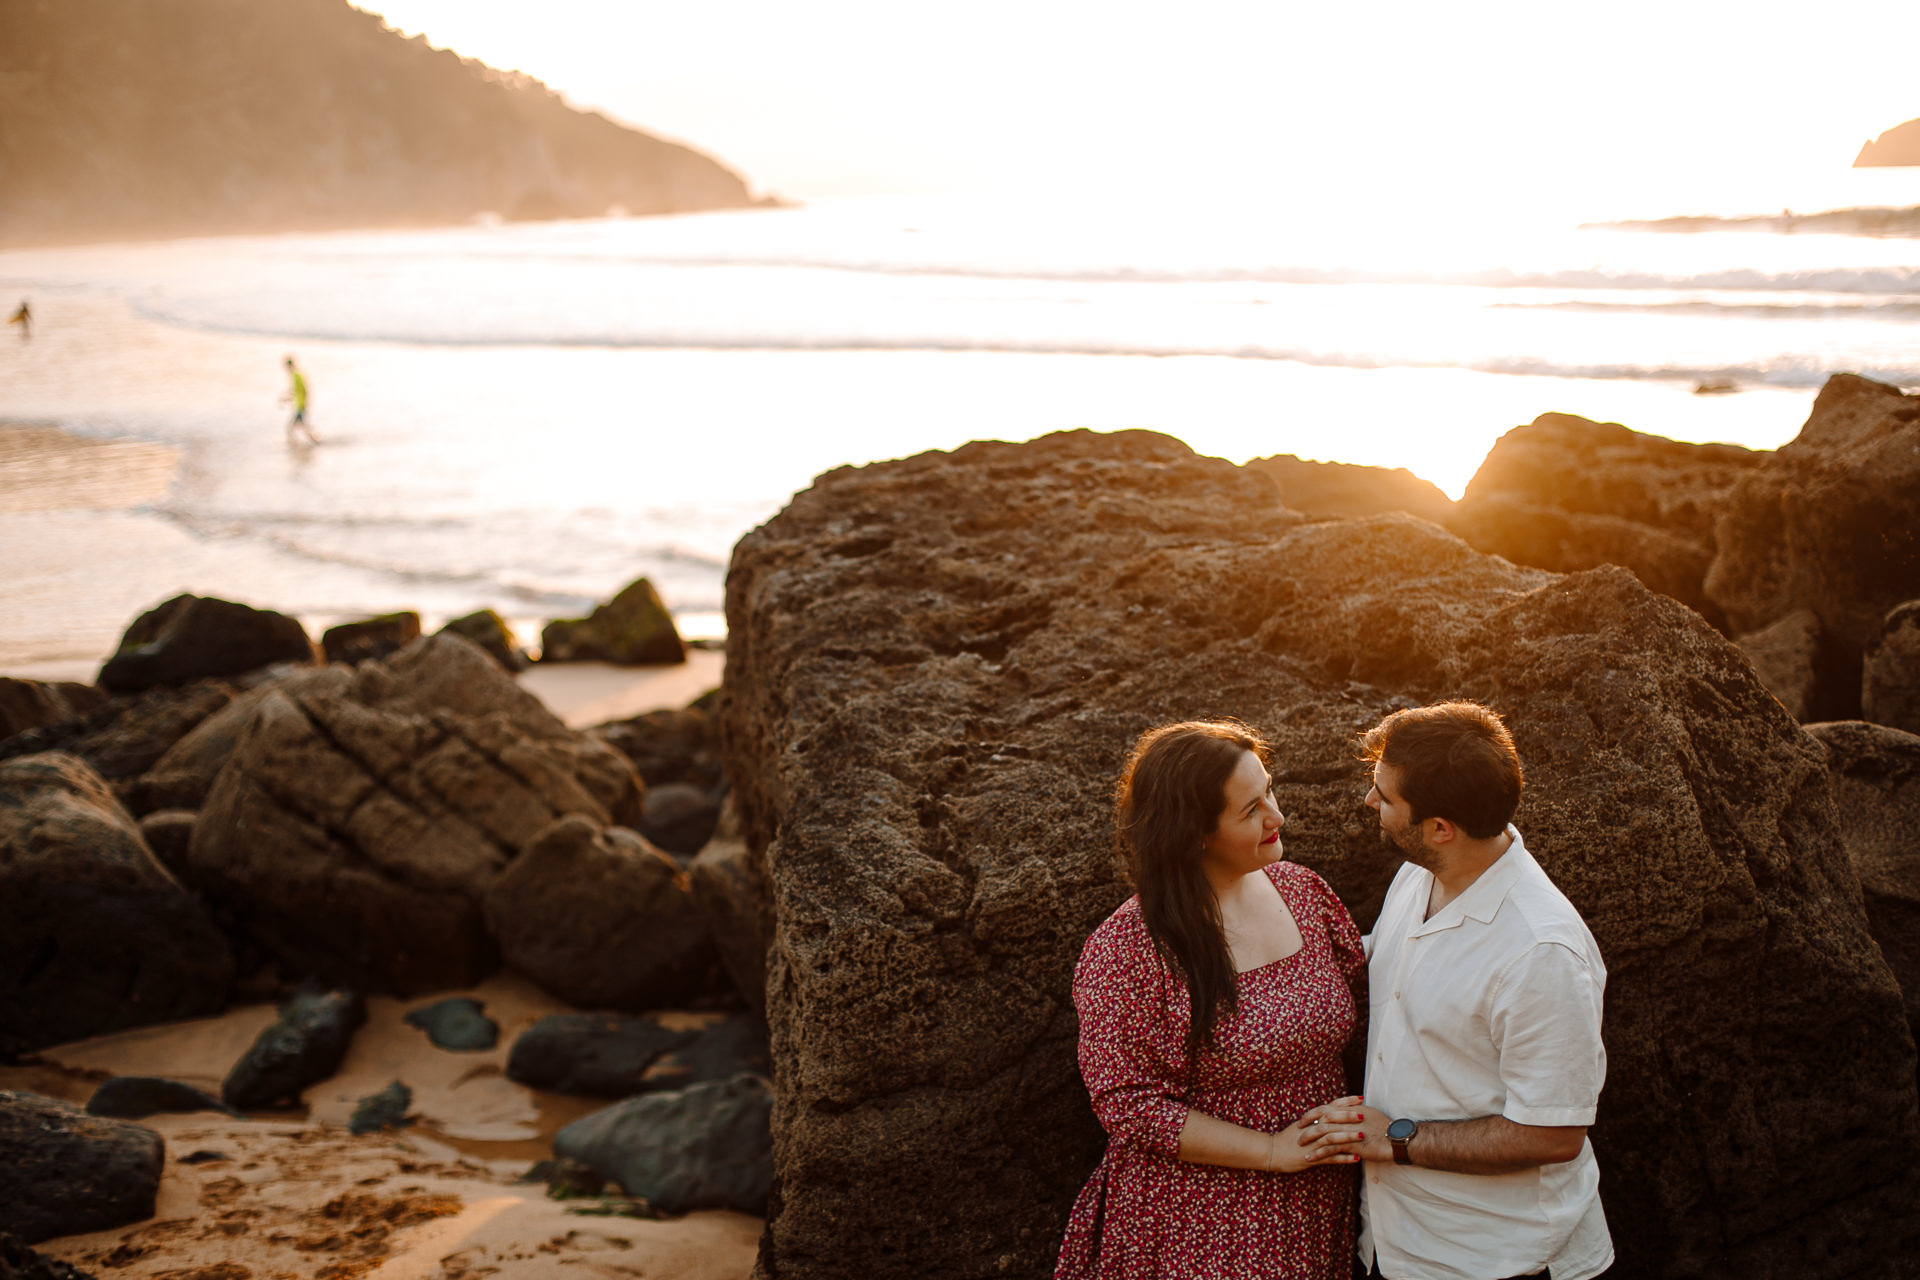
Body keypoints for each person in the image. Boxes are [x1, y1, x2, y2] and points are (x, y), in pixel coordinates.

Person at [1054, 719, 1370, 1280]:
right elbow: (1128, 1103)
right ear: (1194, 832)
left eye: (1269, 789)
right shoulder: (1130, 947)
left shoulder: (1304, 890)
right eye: (1250, 810)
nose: (1277, 816)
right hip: (1200, 1218)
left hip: (1319, 1197)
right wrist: (1272, 1150)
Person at [1351, 702, 1611, 1280]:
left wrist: (1394, 1139)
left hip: (1497, 1260)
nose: (1370, 802)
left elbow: (1553, 1132)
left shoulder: (1540, 952)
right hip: (1394, 1244)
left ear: (1440, 828)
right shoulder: (1422, 872)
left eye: (1384, 795)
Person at [280, 355, 319, 445]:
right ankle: (313, 441)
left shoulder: (296, 375)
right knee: (303, 426)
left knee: (291, 427)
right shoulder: (296, 375)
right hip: (299, 404)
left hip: (300, 405)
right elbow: (295, 391)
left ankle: (293, 444)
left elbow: (302, 389)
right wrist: (287, 398)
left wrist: (304, 402)